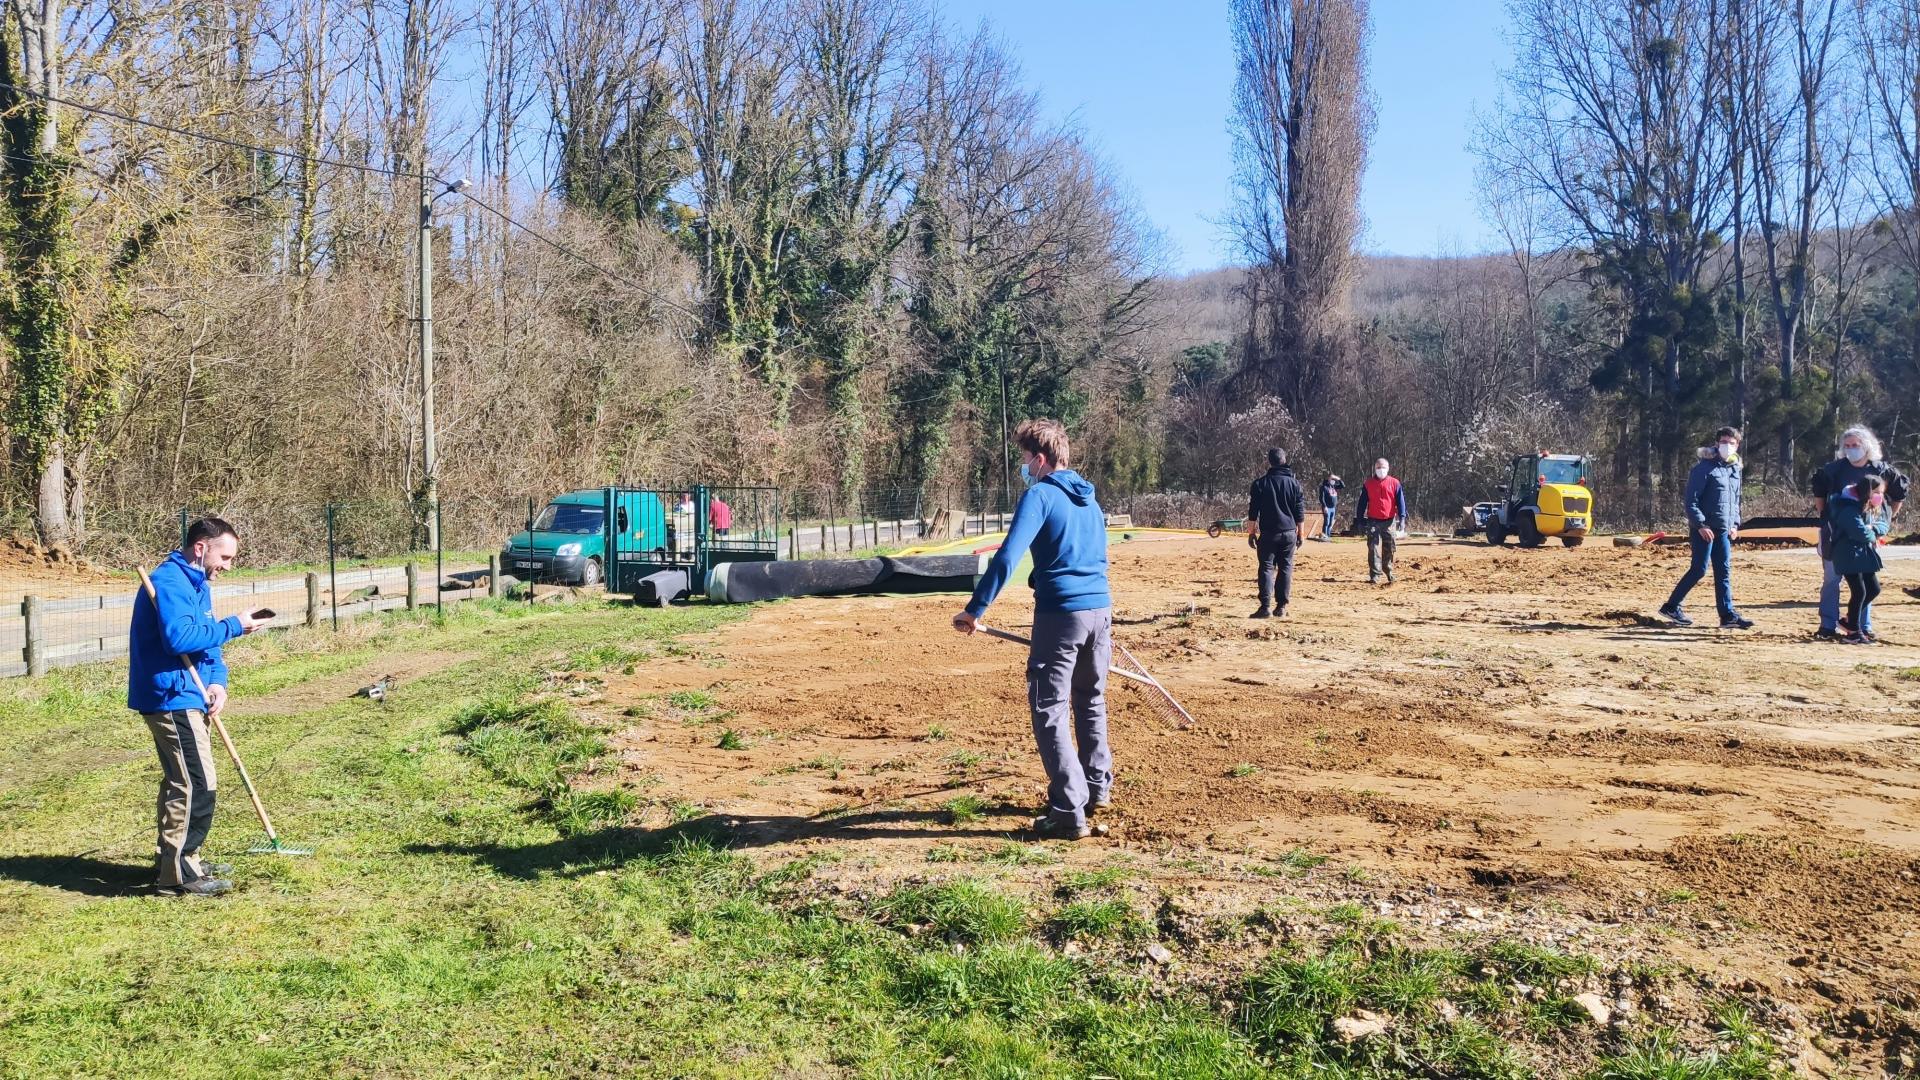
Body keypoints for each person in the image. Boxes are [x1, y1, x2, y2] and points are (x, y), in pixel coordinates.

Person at [952, 418, 1112, 841]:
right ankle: (1096, 788)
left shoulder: (1040, 495)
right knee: (1090, 698)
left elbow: (1008, 555)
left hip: (1061, 615)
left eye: (1025, 459)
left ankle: (1068, 811)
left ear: (1040, 459)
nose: (1024, 467)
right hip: (1100, 610)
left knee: (1048, 705)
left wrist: (975, 609)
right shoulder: (1091, 500)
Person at [128, 517, 265, 897]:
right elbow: (179, 639)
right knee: (197, 783)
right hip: (171, 697)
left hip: (193, 693)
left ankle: (176, 860)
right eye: (226, 557)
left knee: (183, 780)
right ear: (201, 547)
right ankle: (179, 875)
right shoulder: (170, 582)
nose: (228, 565)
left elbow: (206, 642)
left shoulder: (197, 583)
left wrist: (217, 681)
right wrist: (235, 625)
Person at [1810, 427, 1908, 640]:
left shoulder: (1883, 470)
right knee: (1832, 579)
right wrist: (1828, 520)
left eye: (1856, 445)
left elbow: (1899, 494)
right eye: (1847, 445)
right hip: (1838, 536)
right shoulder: (1833, 470)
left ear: (1867, 446)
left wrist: (1883, 522)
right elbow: (1820, 495)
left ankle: (1861, 624)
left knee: (1865, 584)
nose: (1851, 449)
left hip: (1866, 537)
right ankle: (1828, 624)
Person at [1659, 427, 1753, 629]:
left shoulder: (1734, 470)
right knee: (1699, 569)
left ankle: (1727, 615)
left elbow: (1735, 501)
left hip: (1723, 530)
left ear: (1737, 445)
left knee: (1723, 572)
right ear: (1716, 443)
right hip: (1704, 529)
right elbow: (1691, 502)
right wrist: (1700, 525)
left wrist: (1735, 524)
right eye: (1723, 442)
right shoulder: (1703, 468)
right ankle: (1671, 606)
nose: (1727, 446)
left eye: (1731, 443)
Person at [1827, 475, 1890, 644]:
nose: (1880, 496)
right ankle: (1853, 632)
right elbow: (1859, 532)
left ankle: (1849, 621)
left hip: (1861, 553)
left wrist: (1872, 529)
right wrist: (1872, 533)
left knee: (1873, 589)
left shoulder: (1866, 506)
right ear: (1868, 491)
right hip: (1847, 554)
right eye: (1878, 492)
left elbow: (1883, 524)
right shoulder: (1848, 507)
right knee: (1859, 591)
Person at [1246, 448, 1306, 618]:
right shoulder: (1294, 484)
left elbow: (1253, 511)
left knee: (1266, 568)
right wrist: (1301, 534)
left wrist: (1251, 533)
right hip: (1289, 532)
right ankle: (1281, 607)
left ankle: (1265, 607)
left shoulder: (1260, 484)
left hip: (1268, 534)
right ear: (1284, 460)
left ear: (1270, 461)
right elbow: (1299, 512)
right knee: (1286, 568)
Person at [1353, 458, 1406, 584]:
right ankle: (1375, 575)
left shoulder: (1395, 483)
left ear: (1388, 468)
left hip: (1389, 521)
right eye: (1378, 467)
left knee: (1390, 547)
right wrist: (1359, 519)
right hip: (1373, 520)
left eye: (1383, 467)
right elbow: (1362, 503)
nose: (1381, 470)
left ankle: (1388, 571)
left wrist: (1402, 518)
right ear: (1375, 469)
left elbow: (1401, 501)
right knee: (1373, 548)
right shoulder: (1368, 484)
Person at [1318, 473, 1344, 541]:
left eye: (1334, 479)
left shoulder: (1334, 486)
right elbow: (1321, 498)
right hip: (1327, 508)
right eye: (1332, 479)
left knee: (1330, 523)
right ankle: (1324, 536)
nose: (1333, 480)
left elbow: (1342, 485)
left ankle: (1328, 536)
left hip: (1333, 508)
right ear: (1328, 479)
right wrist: (1324, 506)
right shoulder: (1324, 487)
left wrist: (1338, 478)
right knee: (1326, 522)